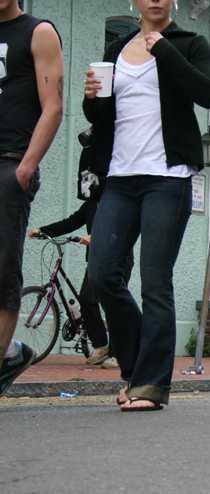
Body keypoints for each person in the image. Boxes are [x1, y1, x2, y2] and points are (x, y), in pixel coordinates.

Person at [83, 0, 210, 410]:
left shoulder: (189, 43)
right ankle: (136, 364)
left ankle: (151, 385)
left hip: (168, 176)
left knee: (155, 282)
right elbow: (101, 113)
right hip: (120, 179)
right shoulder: (118, 49)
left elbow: (207, 94)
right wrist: (91, 97)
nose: (155, 0)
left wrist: (164, 51)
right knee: (103, 273)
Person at [0, 0, 63, 397]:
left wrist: (23, 169)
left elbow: (53, 106)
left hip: (8, 164)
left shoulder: (38, 31)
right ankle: (10, 354)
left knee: (2, 271)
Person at [28, 202, 135, 369]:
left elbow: (125, 226)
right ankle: (101, 346)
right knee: (86, 299)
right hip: (97, 258)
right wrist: (43, 231)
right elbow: (71, 222)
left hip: (119, 258)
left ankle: (119, 353)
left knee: (114, 305)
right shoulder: (91, 204)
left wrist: (99, 235)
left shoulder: (119, 200)